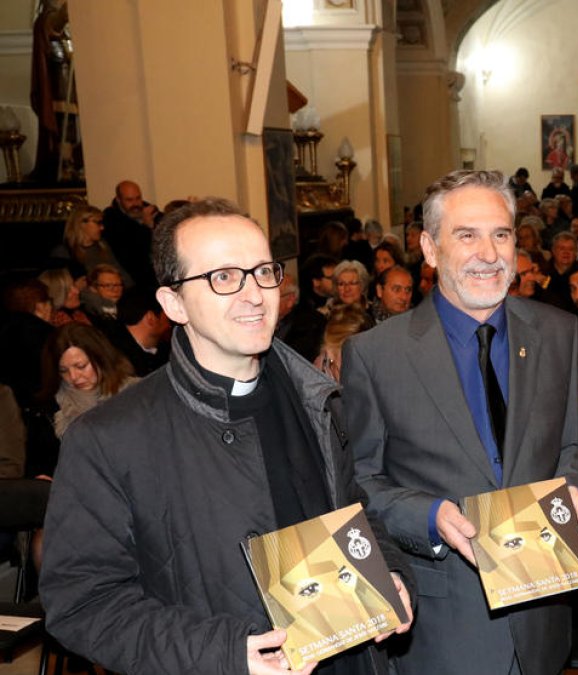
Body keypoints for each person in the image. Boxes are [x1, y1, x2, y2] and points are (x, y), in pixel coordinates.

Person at [40, 197, 413, 675]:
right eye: (222, 277)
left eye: (262, 271)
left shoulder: (317, 397)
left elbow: (353, 511)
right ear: (173, 303)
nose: (254, 294)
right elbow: (83, 603)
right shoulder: (107, 439)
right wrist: (224, 652)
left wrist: (391, 575)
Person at [340, 170, 578, 675]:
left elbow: (575, 447)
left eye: (501, 234)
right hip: (443, 624)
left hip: (542, 611)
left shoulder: (558, 332)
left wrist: (576, 489)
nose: (489, 253)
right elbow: (359, 482)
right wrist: (429, 514)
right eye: (467, 235)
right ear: (429, 249)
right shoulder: (376, 354)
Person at [39, 323, 137, 438]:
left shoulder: (135, 391)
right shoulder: (55, 411)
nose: (73, 376)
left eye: (81, 366)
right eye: (64, 370)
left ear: (102, 359)